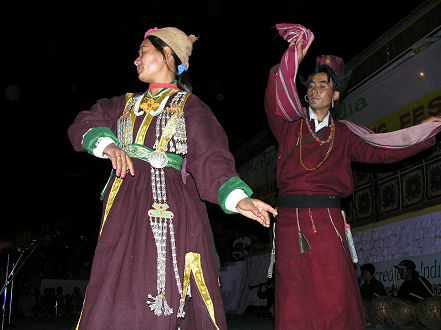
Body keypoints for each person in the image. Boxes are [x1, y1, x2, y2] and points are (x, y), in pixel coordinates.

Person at [68, 26, 277, 329]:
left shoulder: (191, 107)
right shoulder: (121, 105)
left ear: (167, 54)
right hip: (122, 206)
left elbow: (211, 159)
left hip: (170, 211)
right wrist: (108, 144)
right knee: (114, 286)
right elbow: (84, 121)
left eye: (142, 52)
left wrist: (238, 198)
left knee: (159, 286)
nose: (136, 60)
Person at [264, 23, 441, 329]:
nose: (314, 90)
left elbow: (385, 149)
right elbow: (275, 94)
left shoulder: (345, 133)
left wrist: (427, 129)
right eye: (310, 86)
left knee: (333, 296)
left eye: (322, 85)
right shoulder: (288, 127)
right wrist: (295, 51)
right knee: (293, 298)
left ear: (335, 94)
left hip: (328, 219)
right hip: (289, 221)